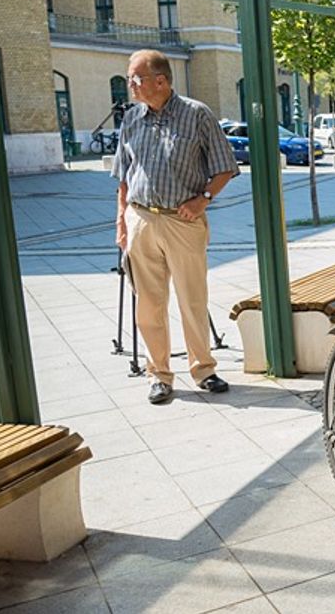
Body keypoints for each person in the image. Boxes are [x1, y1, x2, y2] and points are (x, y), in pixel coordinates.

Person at [113, 50, 239, 405]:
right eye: (129, 78)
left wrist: (203, 199)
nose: (131, 86)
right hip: (141, 219)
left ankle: (204, 369)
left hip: (182, 221)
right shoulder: (131, 120)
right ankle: (160, 375)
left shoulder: (197, 114)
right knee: (149, 304)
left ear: (161, 81)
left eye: (135, 79)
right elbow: (123, 176)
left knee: (192, 298)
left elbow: (225, 166)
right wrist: (121, 221)